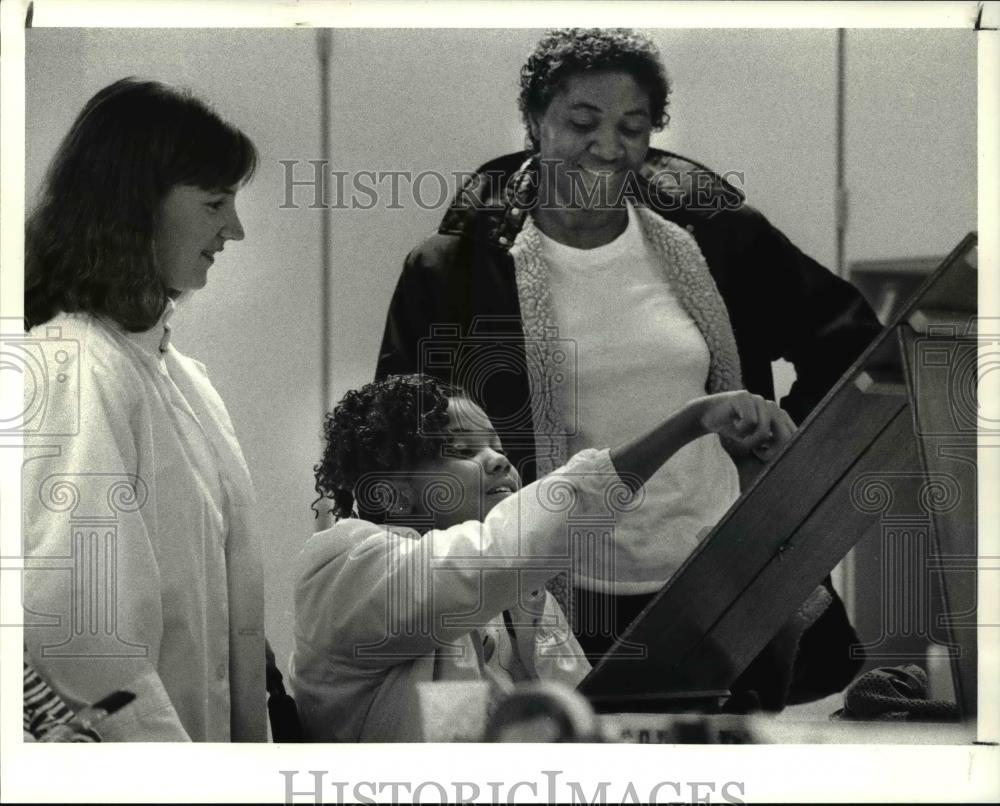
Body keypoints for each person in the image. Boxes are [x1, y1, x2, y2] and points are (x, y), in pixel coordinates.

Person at [376, 28, 883, 709]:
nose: (608, 147)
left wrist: (781, 452)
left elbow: (851, 342)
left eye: (633, 127)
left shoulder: (717, 238)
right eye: (582, 122)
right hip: (561, 592)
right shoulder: (458, 270)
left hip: (717, 575)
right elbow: (401, 439)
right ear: (534, 122)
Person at [290, 374, 795, 741]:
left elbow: (580, 726)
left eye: (497, 445)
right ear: (394, 495)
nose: (499, 459)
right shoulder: (346, 566)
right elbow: (496, 557)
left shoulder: (526, 600)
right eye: (462, 450)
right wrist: (689, 423)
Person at [22, 77, 266, 741]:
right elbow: (81, 624)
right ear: (134, 206)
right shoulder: (73, 364)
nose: (234, 229)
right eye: (216, 202)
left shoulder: (182, 379)